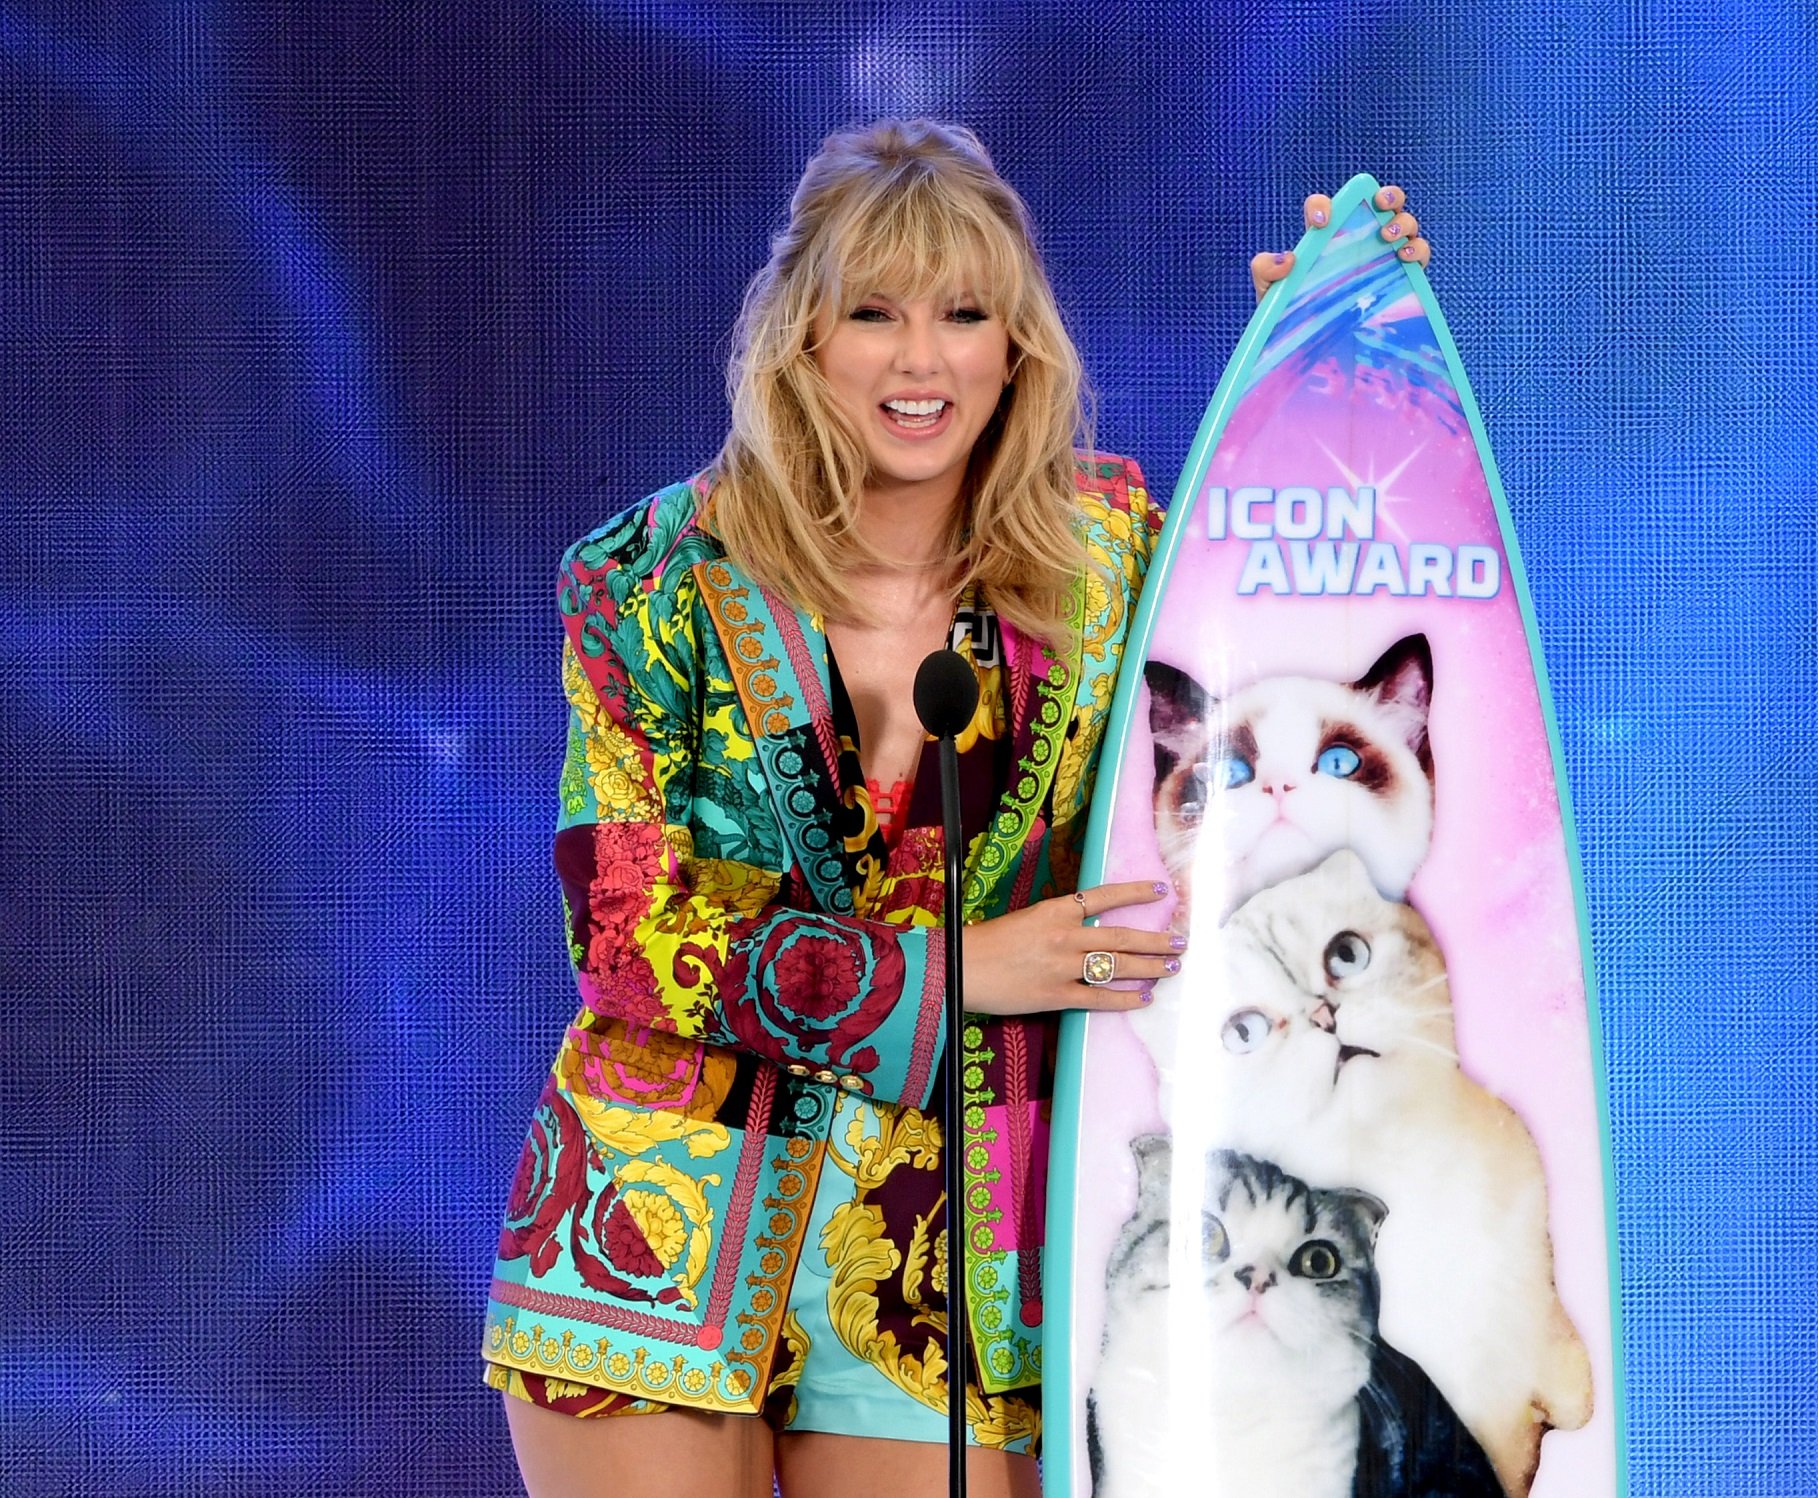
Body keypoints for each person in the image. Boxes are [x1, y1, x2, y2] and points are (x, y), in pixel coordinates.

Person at [481, 119, 1428, 1498]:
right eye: (875, 313)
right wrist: (954, 971)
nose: (921, 360)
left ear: (1016, 345)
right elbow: (625, 930)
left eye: (964, 314)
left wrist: (1341, 358)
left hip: (962, 1266)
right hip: (650, 1240)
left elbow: (1324, 621)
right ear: (803, 336)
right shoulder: (643, 581)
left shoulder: (1116, 562)